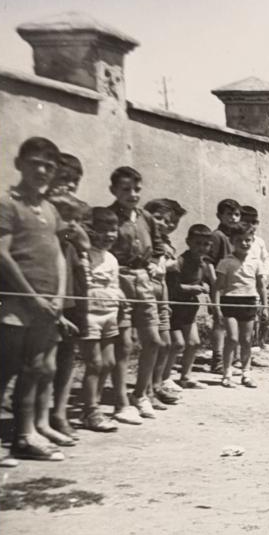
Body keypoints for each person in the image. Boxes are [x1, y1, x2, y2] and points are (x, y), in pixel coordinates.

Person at [0, 137, 74, 464]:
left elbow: (57, 255)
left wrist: (56, 297)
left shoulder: (50, 208)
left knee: (38, 368)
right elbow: (0, 253)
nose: (41, 170)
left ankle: (26, 434)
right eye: (34, 163)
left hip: (47, 305)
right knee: (6, 369)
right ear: (19, 164)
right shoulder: (6, 204)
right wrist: (32, 297)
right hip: (18, 304)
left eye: (49, 166)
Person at [105, 166, 164, 424]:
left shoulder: (146, 218)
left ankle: (141, 394)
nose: (132, 194)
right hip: (119, 279)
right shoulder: (108, 216)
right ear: (113, 190)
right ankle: (121, 402)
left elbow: (159, 246)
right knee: (124, 344)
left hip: (144, 280)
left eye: (137, 189)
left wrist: (156, 262)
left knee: (153, 340)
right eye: (126, 189)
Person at [47, 191, 92, 442]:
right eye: (68, 217)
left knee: (66, 361)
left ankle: (59, 414)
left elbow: (84, 244)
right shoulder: (43, 244)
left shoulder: (70, 246)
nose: (73, 224)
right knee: (43, 365)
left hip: (70, 305)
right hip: (47, 307)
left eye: (77, 219)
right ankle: (37, 419)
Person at [80, 207, 127, 433]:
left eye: (113, 230)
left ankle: (93, 405)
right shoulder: (85, 254)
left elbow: (115, 286)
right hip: (90, 314)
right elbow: (86, 284)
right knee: (94, 363)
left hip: (110, 314)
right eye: (103, 230)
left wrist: (120, 298)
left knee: (108, 362)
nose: (109, 235)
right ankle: (91, 410)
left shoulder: (112, 258)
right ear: (90, 230)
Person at [144, 198, 187, 403]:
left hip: (162, 295)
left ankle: (156, 384)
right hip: (145, 293)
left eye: (172, 222)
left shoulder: (165, 243)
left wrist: (166, 303)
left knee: (166, 343)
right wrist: (169, 265)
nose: (166, 225)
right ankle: (144, 391)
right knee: (153, 343)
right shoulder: (146, 239)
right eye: (159, 218)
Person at [215, 223, 266, 388]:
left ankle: (246, 373)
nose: (244, 243)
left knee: (246, 340)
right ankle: (227, 373)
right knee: (232, 338)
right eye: (240, 240)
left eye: (248, 240)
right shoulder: (225, 262)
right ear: (232, 242)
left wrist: (264, 306)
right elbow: (218, 287)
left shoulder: (256, 262)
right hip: (230, 302)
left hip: (249, 301)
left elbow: (261, 286)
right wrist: (216, 307)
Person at [167, 223, 217, 389]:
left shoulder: (203, 264)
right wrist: (193, 288)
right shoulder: (180, 261)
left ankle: (185, 377)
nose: (201, 248)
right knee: (177, 344)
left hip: (190, 307)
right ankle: (164, 378)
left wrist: (205, 287)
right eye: (197, 243)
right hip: (175, 307)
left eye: (205, 244)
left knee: (194, 342)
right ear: (188, 242)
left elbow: (203, 282)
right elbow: (172, 287)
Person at [208, 198, 242, 375]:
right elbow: (209, 262)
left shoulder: (236, 237)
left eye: (236, 214)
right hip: (220, 285)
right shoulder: (217, 236)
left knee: (233, 321)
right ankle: (217, 359)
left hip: (234, 286)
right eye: (229, 214)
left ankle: (233, 358)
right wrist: (215, 286)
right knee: (219, 321)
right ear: (219, 216)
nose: (233, 218)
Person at [240, 206, 269, 361]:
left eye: (254, 222)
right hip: (241, 283)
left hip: (256, 283)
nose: (251, 226)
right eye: (246, 222)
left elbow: (265, 260)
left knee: (254, 320)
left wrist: (263, 275)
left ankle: (250, 352)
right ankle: (233, 355)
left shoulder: (259, 242)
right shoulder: (238, 240)